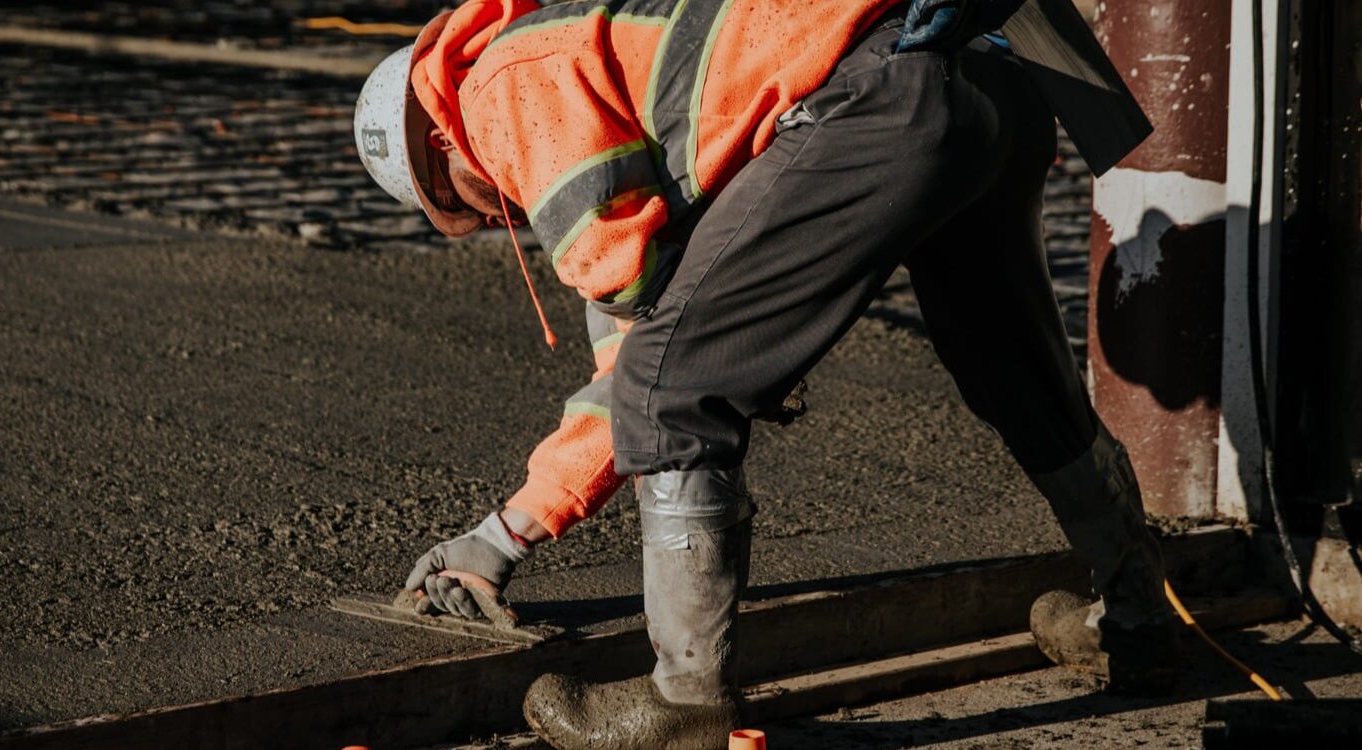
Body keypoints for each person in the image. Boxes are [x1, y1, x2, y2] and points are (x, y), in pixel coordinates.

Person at [352, 1, 1179, 747]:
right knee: (1014, 369)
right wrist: (510, 532)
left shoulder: (503, 92)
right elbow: (645, 323)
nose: (499, 214)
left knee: (671, 389)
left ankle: (684, 705)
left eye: (468, 201)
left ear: (439, 141)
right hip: (989, 77)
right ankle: (1138, 617)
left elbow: (644, 358)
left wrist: (501, 537)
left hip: (883, 92)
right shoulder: (583, 46)